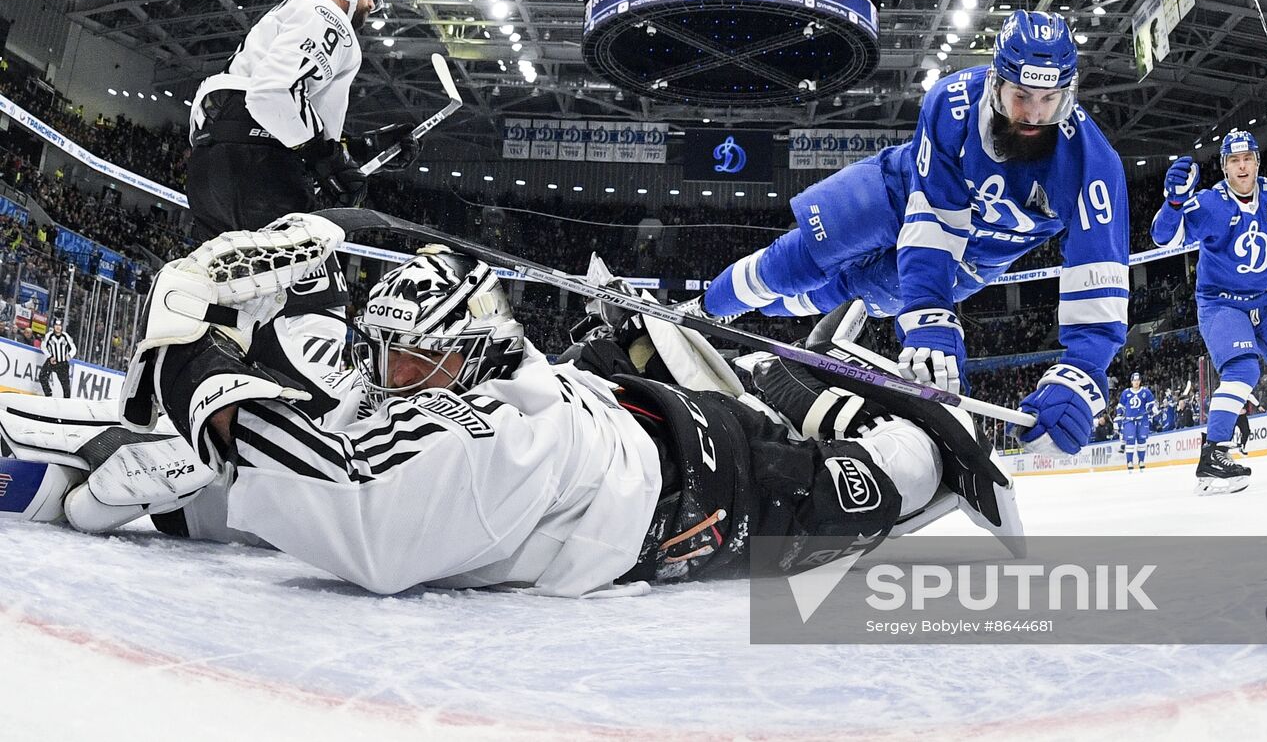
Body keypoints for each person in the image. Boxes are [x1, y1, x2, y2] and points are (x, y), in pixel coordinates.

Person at [0, 216, 1017, 596]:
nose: (382, 375)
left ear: (457, 361)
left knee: (879, 478)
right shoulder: (444, 376)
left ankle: (843, 404)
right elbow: (309, 444)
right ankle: (782, 382)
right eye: (381, 355)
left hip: (703, 484)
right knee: (690, 359)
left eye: (409, 361)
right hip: (618, 412)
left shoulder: (471, 436)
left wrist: (188, 359)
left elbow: (351, 497)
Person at [690, 11, 1130, 459]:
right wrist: (931, 314)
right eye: (1021, 95)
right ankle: (702, 308)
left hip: (970, 261)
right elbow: (933, 224)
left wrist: (1080, 373)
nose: (1035, 113)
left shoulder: (1095, 167)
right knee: (797, 261)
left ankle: (758, 313)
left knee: (849, 290)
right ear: (997, 82)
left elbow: (1099, 279)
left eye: (1050, 98)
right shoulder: (952, 101)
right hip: (896, 191)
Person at [184, 0, 419, 413]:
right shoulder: (327, 13)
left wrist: (355, 152)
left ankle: (205, 414)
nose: (371, 1)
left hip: (214, 164)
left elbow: (293, 113)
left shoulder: (288, 15)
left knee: (230, 306)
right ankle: (318, 425)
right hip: (259, 167)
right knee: (313, 296)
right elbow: (271, 97)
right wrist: (323, 157)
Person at [1151, 130, 1267, 494]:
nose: (1242, 166)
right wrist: (1173, 202)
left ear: (1257, 161)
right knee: (1244, 368)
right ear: (1224, 167)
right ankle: (1213, 454)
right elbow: (1164, 237)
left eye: (1247, 159)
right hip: (1220, 301)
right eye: (1234, 160)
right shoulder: (1209, 203)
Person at [1114, 371, 1156, 472]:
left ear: (1140, 381)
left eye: (1138, 380)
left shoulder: (1146, 392)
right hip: (1129, 420)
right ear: (1131, 381)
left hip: (1142, 419)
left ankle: (1141, 461)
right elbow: (1121, 405)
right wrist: (1119, 413)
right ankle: (1129, 462)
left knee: (1142, 440)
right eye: (1134, 380)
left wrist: (1149, 409)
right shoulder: (1126, 393)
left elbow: (1151, 403)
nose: (1136, 382)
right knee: (1130, 441)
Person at [38, 318, 74, 398]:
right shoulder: (49, 335)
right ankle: (48, 394)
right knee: (42, 376)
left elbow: (74, 348)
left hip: (63, 364)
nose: (58, 327)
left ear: (61, 327)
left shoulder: (66, 336)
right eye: (56, 325)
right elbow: (43, 347)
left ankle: (67, 401)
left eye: (59, 325)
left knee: (65, 385)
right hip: (52, 361)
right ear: (53, 326)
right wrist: (50, 356)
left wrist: (70, 355)